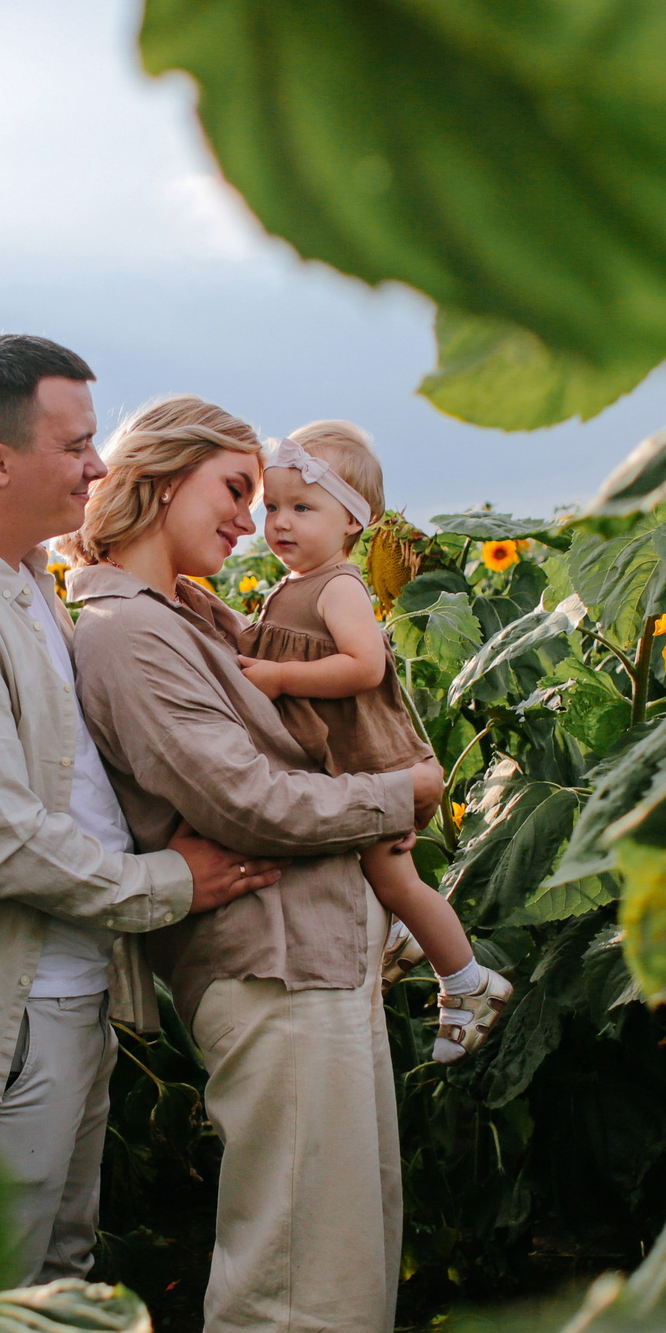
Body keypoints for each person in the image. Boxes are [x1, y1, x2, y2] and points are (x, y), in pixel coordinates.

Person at [0, 335, 280, 1289]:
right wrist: (172, 881)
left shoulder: (23, 575)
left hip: (65, 995)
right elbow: (1, 841)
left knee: (58, 1273)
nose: (99, 466)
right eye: (76, 445)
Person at [63, 396, 445, 1333]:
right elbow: (245, 800)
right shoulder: (123, 634)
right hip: (271, 968)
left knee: (345, 1251)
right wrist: (398, 793)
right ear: (160, 479)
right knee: (294, 1278)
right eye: (235, 491)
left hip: (315, 957)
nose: (251, 518)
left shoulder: (188, 614)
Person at [237, 421, 514, 1062]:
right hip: (345, 768)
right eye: (272, 507)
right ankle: (399, 941)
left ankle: (468, 983)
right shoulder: (291, 587)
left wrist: (279, 676)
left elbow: (364, 667)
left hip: (373, 763)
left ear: (352, 522)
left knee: (398, 884)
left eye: (303, 508)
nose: (281, 522)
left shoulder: (338, 587)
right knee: (373, 876)